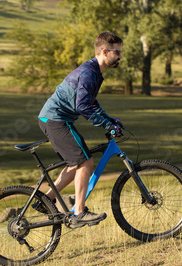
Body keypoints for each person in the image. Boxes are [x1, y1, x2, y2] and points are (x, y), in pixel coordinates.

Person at [35, 32, 124, 228]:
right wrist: (107, 125)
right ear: (104, 51)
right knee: (86, 161)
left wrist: (109, 119)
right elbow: (83, 107)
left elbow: (91, 102)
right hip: (56, 120)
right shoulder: (89, 72)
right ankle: (79, 213)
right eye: (117, 52)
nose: (120, 57)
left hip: (53, 119)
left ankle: (46, 200)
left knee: (77, 163)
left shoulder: (94, 72)